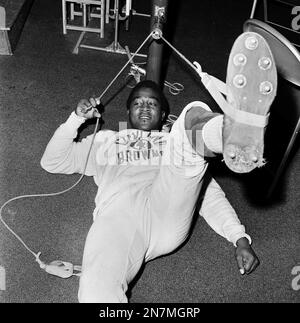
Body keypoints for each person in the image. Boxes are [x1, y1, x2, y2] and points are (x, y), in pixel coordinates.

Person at [40, 32, 276, 302]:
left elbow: (209, 196)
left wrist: (239, 238)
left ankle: (230, 131)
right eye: (137, 103)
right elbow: (52, 161)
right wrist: (74, 120)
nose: (143, 108)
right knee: (95, 291)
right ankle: (233, 129)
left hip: (167, 212)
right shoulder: (107, 140)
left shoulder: (169, 139)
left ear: (162, 115)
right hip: (118, 219)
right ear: (128, 112)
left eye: (151, 104)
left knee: (189, 121)